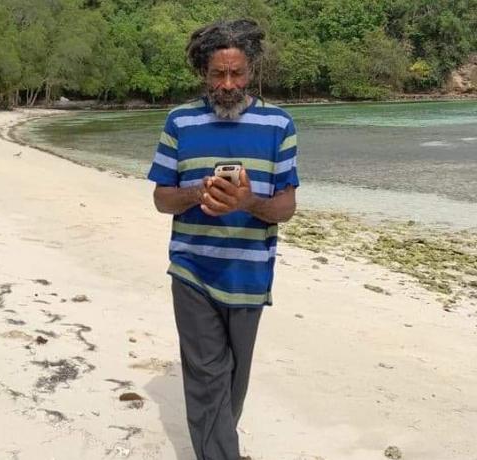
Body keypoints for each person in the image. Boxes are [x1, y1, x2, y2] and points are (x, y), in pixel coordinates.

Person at [147, 19, 299, 460]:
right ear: (203, 72)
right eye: (218, 74)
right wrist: (200, 192)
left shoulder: (279, 125)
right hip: (192, 269)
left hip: (250, 275)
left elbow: (285, 208)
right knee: (207, 377)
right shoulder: (180, 121)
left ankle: (217, 445)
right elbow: (161, 199)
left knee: (233, 383)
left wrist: (247, 202)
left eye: (237, 74)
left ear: (251, 71)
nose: (228, 84)